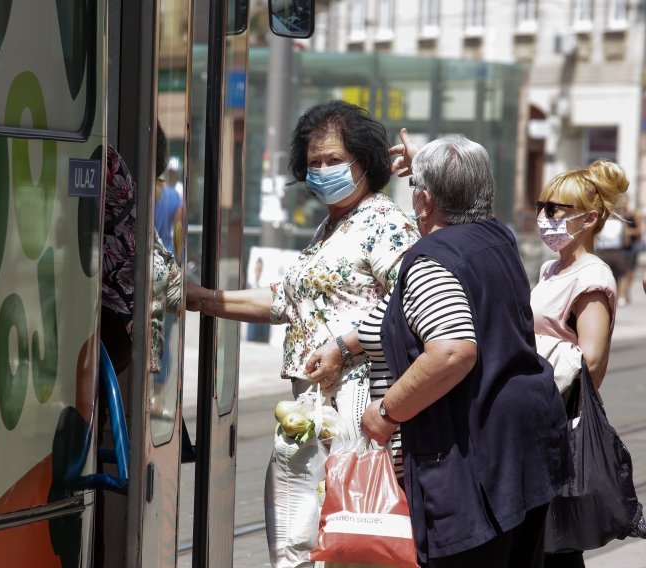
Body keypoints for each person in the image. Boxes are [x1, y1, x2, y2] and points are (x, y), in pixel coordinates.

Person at [186, 100, 419, 567]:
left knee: (343, 538)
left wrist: (343, 347)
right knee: (296, 542)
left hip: (354, 400)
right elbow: (286, 301)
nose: (322, 170)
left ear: (365, 162)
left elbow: (408, 303)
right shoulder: (331, 227)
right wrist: (201, 298)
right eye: (314, 163)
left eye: (334, 160)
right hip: (308, 406)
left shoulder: (385, 222)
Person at [359, 132, 571, 568]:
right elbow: (460, 200)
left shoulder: (430, 259)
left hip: (473, 467)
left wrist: (386, 413)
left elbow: (453, 351)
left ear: (424, 202)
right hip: (524, 451)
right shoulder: (497, 237)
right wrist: (435, 167)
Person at [529, 160, 646, 567]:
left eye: (555, 210)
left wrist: (531, 354)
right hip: (539, 415)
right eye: (541, 206)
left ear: (590, 218)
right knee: (542, 540)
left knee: (556, 544)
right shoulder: (552, 268)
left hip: (560, 423)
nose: (544, 217)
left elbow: (591, 361)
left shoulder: (593, 276)